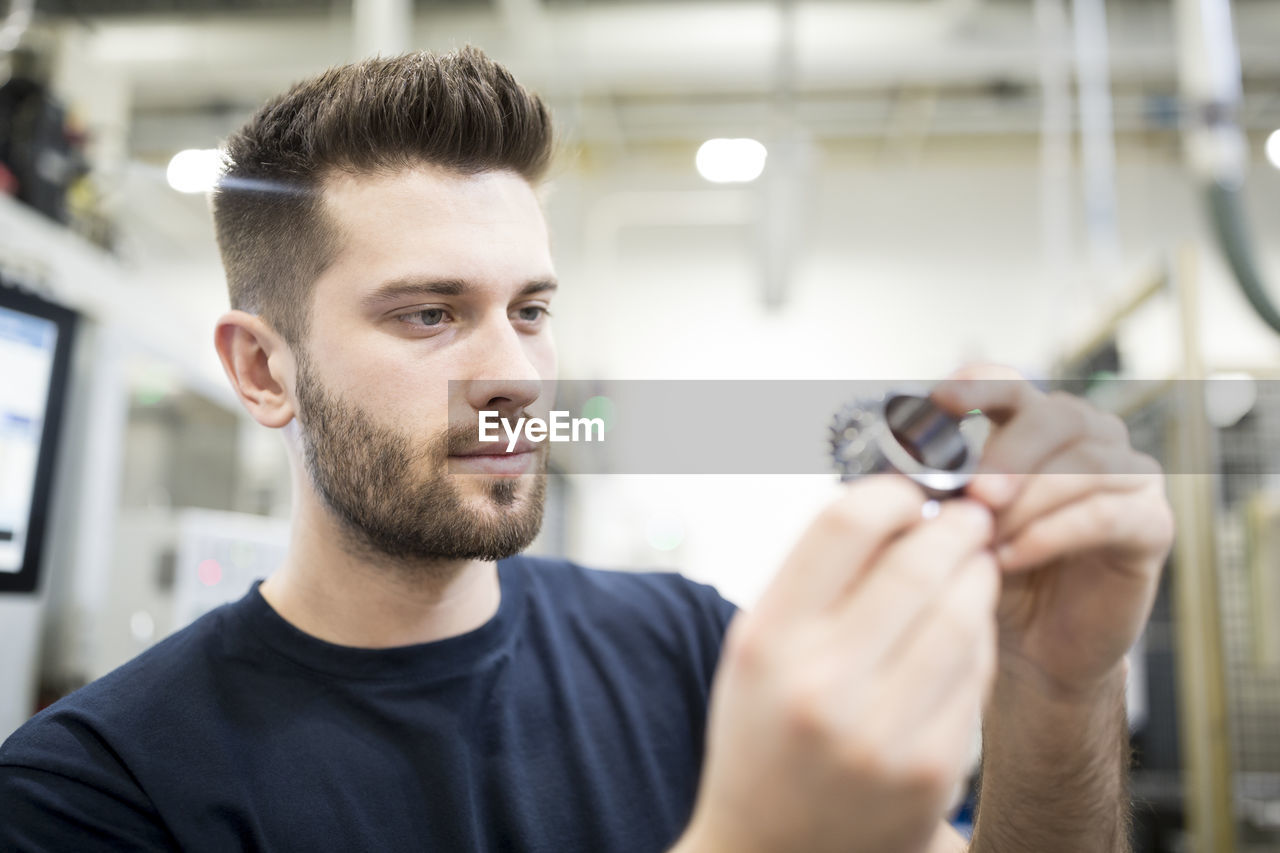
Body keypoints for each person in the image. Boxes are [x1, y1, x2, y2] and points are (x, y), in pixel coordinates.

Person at [0, 47, 1173, 853]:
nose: (512, 370)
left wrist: (1058, 685)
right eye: (428, 313)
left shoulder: (686, 648)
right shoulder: (96, 792)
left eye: (530, 310)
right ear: (264, 370)